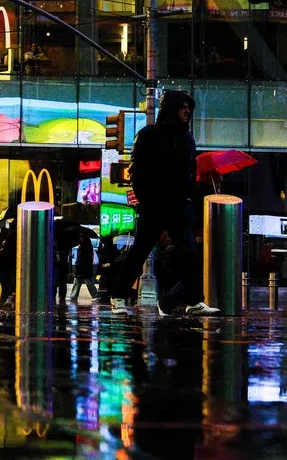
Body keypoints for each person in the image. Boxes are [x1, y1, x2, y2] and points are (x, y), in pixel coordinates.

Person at [111, 90, 220, 317]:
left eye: (189, 108)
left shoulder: (187, 139)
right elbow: (137, 169)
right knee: (140, 251)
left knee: (189, 251)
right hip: (154, 204)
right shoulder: (149, 134)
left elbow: (190, 171)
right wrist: (146, 198)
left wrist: (188, 197)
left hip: (178, 204)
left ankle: (193, 302)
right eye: (182, 107)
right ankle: (119, 296)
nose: (187, 111)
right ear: (171, 109)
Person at [70, 231, 99, 301]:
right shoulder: (87, 245)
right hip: (85, 268)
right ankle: (95, 295)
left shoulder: (84, 246)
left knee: (81, 282)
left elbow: (82, 258)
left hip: (83, 268)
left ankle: (74, 296)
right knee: (82, 282)